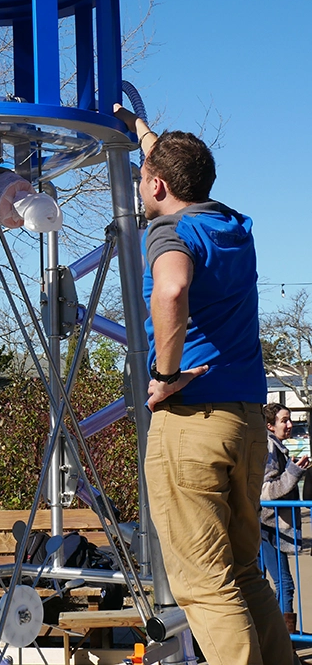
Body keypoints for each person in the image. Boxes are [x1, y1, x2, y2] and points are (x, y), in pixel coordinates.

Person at [114, 104, 295, 665]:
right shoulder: (232, 225)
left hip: (191, 420)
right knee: (245, 573)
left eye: (145, 180)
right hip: (244, 421)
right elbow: (166, 164)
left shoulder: (170, 229)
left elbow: (170, 290)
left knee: (205, 586)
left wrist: (164, 377)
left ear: (159, 186)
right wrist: (141, 131)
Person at [260, 403, 309, 633]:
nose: (289, 425)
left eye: (289, 420)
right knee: (284, 584)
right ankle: (284, 644)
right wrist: (293, 472)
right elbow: (266, 491)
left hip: (269, 526)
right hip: (269, 527)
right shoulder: (270, 448)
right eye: (284, 420)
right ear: (270, 425)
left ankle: (279, 641)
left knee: (270, 584)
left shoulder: (276, 447)